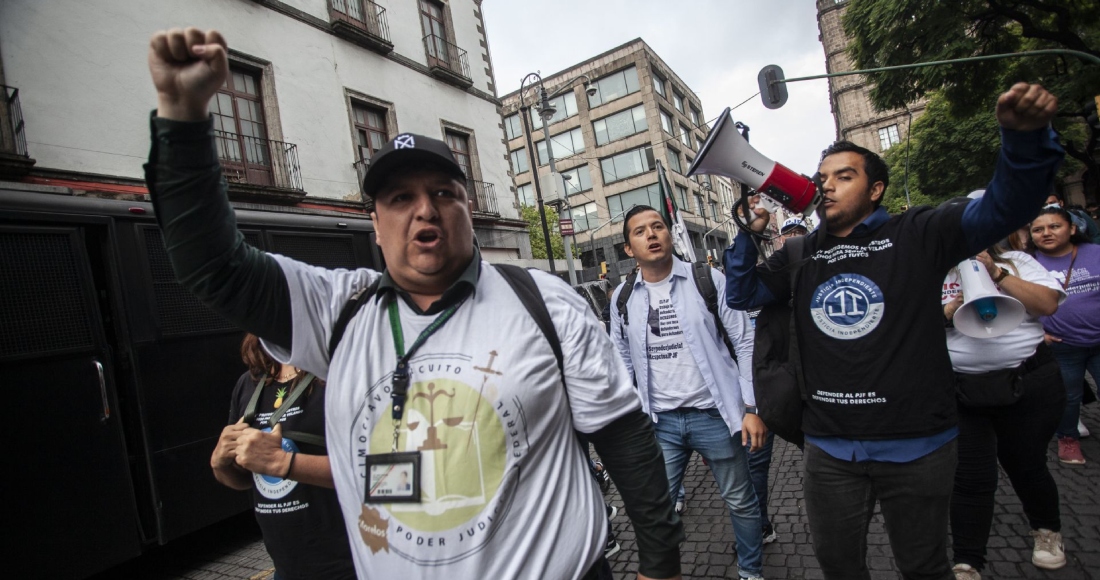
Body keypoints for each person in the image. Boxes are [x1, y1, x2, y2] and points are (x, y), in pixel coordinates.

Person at [145, 28, 682, 580]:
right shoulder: (338, 310)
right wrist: (182, 117)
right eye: (400, 198)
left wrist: (660, 566)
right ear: (375, 225)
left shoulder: (545, 302)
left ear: (467, 210)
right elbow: (212, 265)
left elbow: (624, 436)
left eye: (443, 193)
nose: (424, 210)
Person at [724, 82, 1063, 580]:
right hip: (830, 450)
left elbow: (1003, 209)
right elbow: (743, 294)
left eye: (844, 176)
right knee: (839, 566)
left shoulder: (919, 232)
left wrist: (1025, 140)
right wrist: (748, 232)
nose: (828, 186)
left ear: (876, 188)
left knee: (923, 566)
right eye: (822, 178)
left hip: (918, 445)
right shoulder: (801, 253)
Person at [611, 205, 766, 580]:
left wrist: (751, 407)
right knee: (658, 507)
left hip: (714, 415)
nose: (651, 234)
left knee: (741, 501)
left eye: (658, 226)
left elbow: (745, 344)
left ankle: (750, 572)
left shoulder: (707, 279)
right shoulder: (622, 297)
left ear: (669, 234)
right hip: (659, 422)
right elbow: (621, 360)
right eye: (640, 231)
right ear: (629, 248)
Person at [941, 242, 1067, 578]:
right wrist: (946, 312)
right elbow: (908, 321)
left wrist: (997, 274)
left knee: (1027, 466)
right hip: (961, 390)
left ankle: (1047, 532)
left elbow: (1048, 305)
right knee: (969, 478)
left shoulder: (1019, 261)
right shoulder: (934, 270)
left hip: (1027, 384)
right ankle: (968, 560)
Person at [213, 334, 356, 580]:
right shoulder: (249, 384)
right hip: (285, 569)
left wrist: (281, 462)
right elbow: (244, 480)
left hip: (351, 566)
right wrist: (219, 463)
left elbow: (375, 474)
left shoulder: (341, 374)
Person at [1030, 205, 1100, 464]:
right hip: (1062, 346)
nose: (1046, 233)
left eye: (1054, 226)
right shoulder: (1028, 262)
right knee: (1069, 397)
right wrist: (1040, 335)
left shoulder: (1095, 253)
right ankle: (1067, 438)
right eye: (1038, 229)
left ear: (1071, 228)